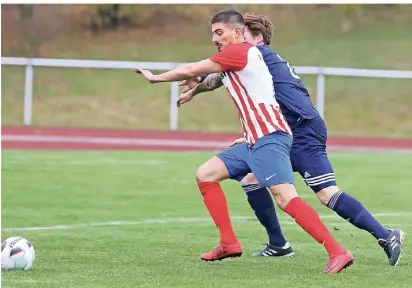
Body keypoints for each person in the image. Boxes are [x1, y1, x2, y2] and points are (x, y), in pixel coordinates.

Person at [135, 9, 353, 274]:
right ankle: (228, 243)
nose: (215, 38)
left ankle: (337, 251)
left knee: (286, 199)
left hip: (270, 138)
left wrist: (156, 77)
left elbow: (195, 67)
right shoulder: (237, 58)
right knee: (206, 174)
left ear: (237, 33)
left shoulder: (241, 51)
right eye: (213, 33)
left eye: (219, 32)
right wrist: (197, 85)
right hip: (254, 140)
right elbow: (210, 77)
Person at [176, 13, 404, 266]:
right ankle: (278, 244)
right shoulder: (248, 59)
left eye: (243, 36)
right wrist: (197, 88)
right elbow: (217, 78)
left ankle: (386, 236)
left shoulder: (258, 56)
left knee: (326, 193)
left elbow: (221, 76)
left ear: (257, 38)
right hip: (281, 130)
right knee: (252, 181)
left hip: (302, 129)